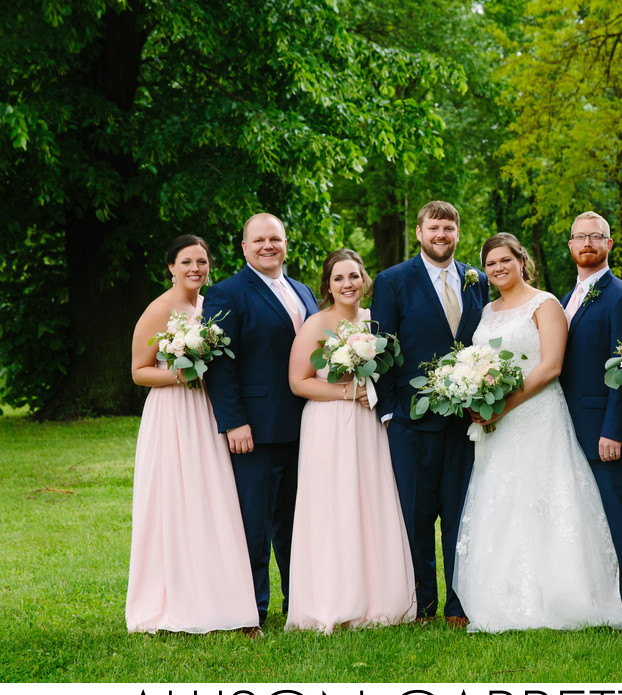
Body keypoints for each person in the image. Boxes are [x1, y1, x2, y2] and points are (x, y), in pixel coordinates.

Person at [453, 234, 622, 632]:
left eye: (505, 260)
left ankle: (560, 594)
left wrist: (504, 403)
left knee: (542, 498)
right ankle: (506, 594)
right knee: (503, 499)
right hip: (497, 423)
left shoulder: (545, 303)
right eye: (491, 263)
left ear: (521, 260)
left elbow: (551, 367)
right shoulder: (486, 311)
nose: (498, 268)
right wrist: (478, 397)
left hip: (537, 415)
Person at [126, 235, 258, 634]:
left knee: (211, 499)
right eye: (186, 262)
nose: (195, 269)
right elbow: (138, 371)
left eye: (201, 261)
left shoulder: (208, 306)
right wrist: (178, 375)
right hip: (172, 413)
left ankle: (218, 599)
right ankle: (173, 600)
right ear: (171, 267)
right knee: (175, 501)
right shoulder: (160, 308)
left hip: (205, 410)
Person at [370, 200, 489, 627]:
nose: (442, 235)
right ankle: (422, 606)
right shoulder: (392, 281)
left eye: (449, 228)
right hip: (410, 419)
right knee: (416, 516)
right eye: (434, 228)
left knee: (461, 513)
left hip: (465, 421)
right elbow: (380, 348)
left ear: (458, 233)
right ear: (419, 232)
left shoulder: (477, 281)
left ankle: (458, 606)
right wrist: (387, 411)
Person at [284, 250, 416, 633]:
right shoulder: (316, 323)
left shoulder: (375, 323)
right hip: (328, 424)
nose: (348, 284)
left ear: (365, 280)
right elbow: (298, 381)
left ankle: (379, 601)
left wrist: (365, 395)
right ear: (327, 285)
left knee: (370, 502)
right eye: (339, 278)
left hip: (367, 424)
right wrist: (346, 394)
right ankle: (333, 600)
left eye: (355, 276)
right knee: (333, 505)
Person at [203, 213, 320, 627]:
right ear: (244, 247)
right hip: (255, 428)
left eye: (276, 238)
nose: (268, 246)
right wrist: (234, 422)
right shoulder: (226, 293)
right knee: (254, 523)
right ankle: (252, 608)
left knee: (296, 521)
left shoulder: (304, 291)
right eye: (259, 240)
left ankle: (298, 601)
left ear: (286, 243)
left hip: (306, 425)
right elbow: (219, 365)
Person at [560, 211, 622, 631]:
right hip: (565, 428)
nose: (587, 243)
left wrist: (613, 430)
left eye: (595, 236)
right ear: (570, 246)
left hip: (602, 430)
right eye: (579, 237)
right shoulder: (565, 297)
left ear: (609, 245)